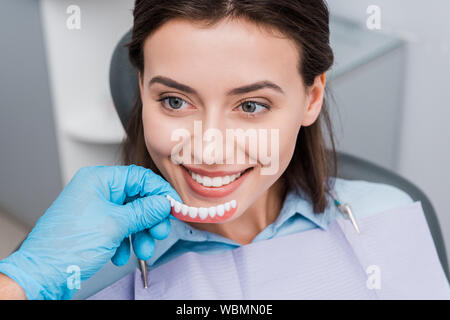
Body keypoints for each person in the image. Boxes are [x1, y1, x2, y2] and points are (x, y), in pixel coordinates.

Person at [1, 0, 448, 300]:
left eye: (251, 105)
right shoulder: (83, 270)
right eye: (175, 101)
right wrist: (20, 282)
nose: (209, 148)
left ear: (311, 99)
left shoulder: (389, 216)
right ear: (142, 88)